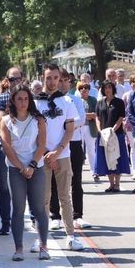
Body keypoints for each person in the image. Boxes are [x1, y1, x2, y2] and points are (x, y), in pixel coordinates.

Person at [35, 64, 84, 251]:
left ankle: (71, 235)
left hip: (63, 155)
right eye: (48, 77)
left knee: (65, 196)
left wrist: (58, 151)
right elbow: (35, 131)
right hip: (42, 156)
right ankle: (42, 239)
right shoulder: (36, 103)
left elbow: (70, 129)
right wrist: (46, 153)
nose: (52, 81)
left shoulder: (67, 102)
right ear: (43, 78)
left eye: (56, 78)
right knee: (44, 198)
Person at [0, 86, 50, 260]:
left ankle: (44, 246)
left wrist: (32, 165)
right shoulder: (6, 121)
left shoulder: (38, 120)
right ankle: (19, 248)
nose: (22, 102)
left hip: (36, 167)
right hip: (15, 169)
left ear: (30, 100)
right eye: (19, 99)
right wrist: (21, 168)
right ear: (13, 100)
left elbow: (42, 145)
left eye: (26, 98)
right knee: (18, 209)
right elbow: (7, 147)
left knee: (39, 208)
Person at [50, 71, 90, 229]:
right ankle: (55, 215)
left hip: (74, 143)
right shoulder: (52, 101)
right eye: (60, 80)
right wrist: (68, 123)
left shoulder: (75, 99)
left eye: (66, 81)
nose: (63, 84)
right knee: (54, 180)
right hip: (57, 145)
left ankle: (78, 215)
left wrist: (66, 123)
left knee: (76, 180)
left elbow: (81, 119)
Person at [0, 67, 26, 236]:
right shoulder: (0, 98)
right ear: (6, 81)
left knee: (27, 184)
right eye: (11, 79)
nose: (14, 82)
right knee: (4, 186)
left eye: (17, 79)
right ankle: (6, 223)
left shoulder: (28, 97)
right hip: (4, 146)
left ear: (22, 79)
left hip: (26, 146)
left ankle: (28, 219)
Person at [95, 80, 130, 191]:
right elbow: (97, 117)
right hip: (103, 136)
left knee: (117, 158)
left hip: (116, 135)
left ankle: (117, 184)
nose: (107, 89)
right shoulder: (100, 102)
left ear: (113, 89)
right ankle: (111, 184)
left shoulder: (119, 102)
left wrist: (112, 130)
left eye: (109, 87)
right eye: (105, 88)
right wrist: (100, 131)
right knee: (107, 159)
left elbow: (121, 118)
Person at [77, 81, 100, 183]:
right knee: (79, 151)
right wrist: (88, 115)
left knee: (91, 150)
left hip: (90, 127)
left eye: (85, 88)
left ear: (89, 90)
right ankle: (78, 173)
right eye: (81, 88)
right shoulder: (76, 100)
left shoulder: (93, 100)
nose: (83, 90)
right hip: (79, 128)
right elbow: (77, 115)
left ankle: (94, 172)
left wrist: (86, 115)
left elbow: (96, 114)